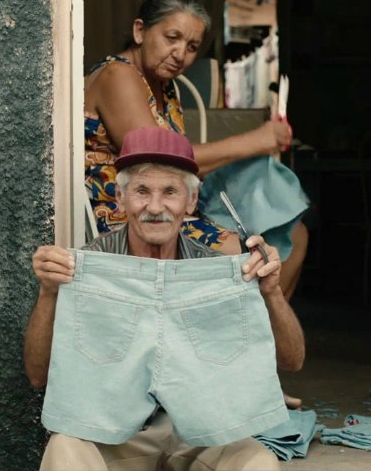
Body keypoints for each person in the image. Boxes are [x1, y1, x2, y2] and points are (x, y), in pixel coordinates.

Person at [24, 127, 305, 470]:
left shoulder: (214, 268)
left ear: (190, 201)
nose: (155, 207)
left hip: (201, 434)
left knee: (257, 462)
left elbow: (293, 361)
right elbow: (37, 376)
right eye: (142, 191)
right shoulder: (90, 266)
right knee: (64, 449)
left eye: (170, 191)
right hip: (117, 435)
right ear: (120, 197)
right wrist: (49, 292)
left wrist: (271, 291)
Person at [84, 0, 308, 303]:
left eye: (192, 46)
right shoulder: (117, 76)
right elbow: (162, 163)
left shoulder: (163, 85)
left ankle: (261, 329)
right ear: (139, 31)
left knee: (295, 235)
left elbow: (179, 166)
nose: (180, 54)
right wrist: (255, 141)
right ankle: (242, 328)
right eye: (171, 38)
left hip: (174, 206)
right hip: (133, 215)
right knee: (250, 256)